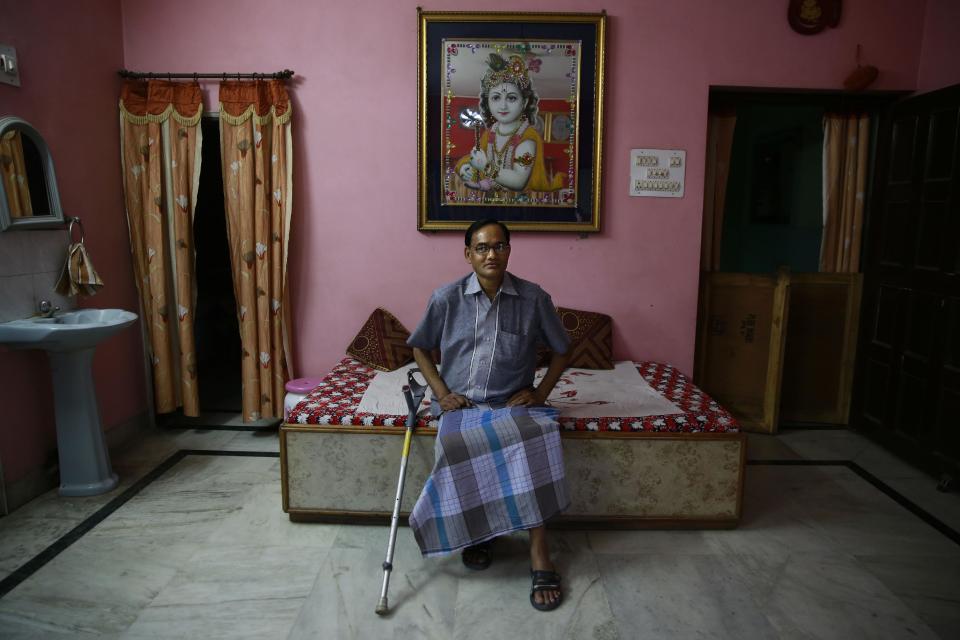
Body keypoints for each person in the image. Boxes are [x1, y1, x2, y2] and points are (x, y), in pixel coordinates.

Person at [406, 218, 571, 611]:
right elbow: (419, 348)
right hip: (462, 403)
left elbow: (564, 348)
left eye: (498, 246)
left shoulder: (534, 299)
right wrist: (442, 393)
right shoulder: (446, 298)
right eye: (481, 248)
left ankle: (539, 551)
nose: (490, 254)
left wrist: (541, 392)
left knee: (538, 437)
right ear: (468, 254)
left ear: (509, 251)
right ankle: (478, 533)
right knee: (456, 441)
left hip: (510, 402)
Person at [456, 54, 564, 198]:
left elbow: (519, 181)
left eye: (511, 98)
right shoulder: (489, 134)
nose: (503, 105)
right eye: (496, 97)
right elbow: (474, 159)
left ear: (524, 102)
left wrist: (486, 167)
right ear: (488, 102)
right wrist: (466, 169)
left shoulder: (527, 138)